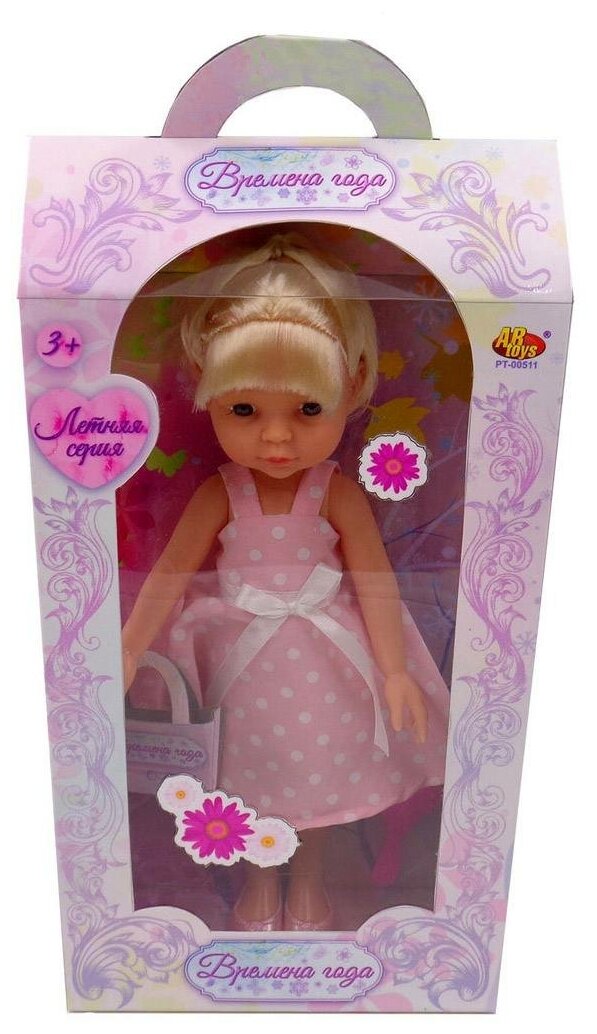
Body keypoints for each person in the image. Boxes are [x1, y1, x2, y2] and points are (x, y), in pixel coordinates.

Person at [122, 234, 449, 931]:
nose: (276, 438)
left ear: (350, 389)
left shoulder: (334, 491)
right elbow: (172, 570)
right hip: (241, 666)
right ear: (207, 393)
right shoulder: (223, 490)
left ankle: (311, 882)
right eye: (243, 410)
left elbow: (374, 579)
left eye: (307, 410)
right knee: (248, 777)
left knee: (320, 776)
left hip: (325, 664)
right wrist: (125, 648)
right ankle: (260, 880)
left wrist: (394, 672)